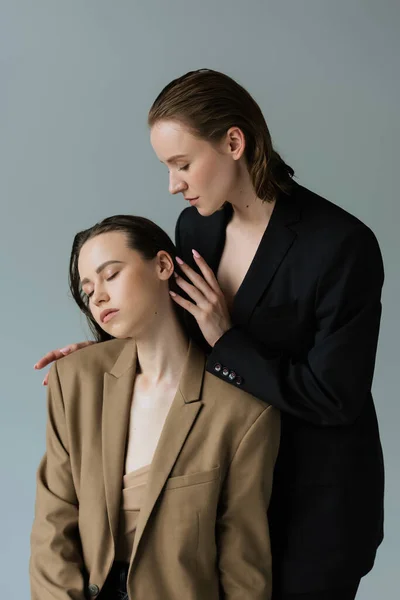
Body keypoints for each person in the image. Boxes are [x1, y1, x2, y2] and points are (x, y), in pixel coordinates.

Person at [35, 69, 385, 600]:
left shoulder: (341, 246)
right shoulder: (196, 228)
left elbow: (336, 397)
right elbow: (178, 327)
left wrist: (228, 340)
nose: (173, 184)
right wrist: (105, 353)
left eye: (182, 164)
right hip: (221, 488)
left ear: (234, 142)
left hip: (312, 502)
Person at [30, 215, 280, 600]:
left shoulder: (243, 412)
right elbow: (53, 524)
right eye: (87, 289)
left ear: (163, 265)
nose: (97, 297)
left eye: (110, 275)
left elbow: (242, 563)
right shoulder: (74, 381)